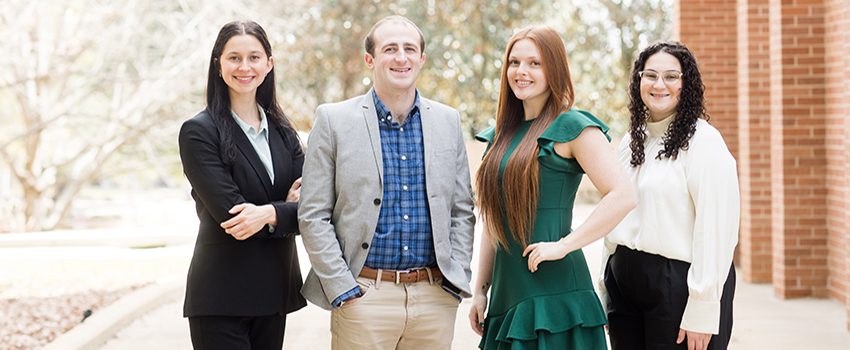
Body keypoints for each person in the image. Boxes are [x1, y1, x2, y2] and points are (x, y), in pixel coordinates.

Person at [297, 15, 476, 350]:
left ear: (421, 59)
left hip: (434, 296)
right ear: (370, 59)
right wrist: (342, 289)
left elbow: (462, 209)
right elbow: (312, 214)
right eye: (390, 49)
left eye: (410, 49)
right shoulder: (333, 120)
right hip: (363, 295)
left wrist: (455, 280)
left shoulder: (447, 120)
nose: (401, 57)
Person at [468, 25, 636, 350]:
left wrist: (564, 245)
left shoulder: (573, 127)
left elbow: (623, 196)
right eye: (514, 62)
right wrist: (480, 289)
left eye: (535, 63)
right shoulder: (499, 136)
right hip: (507, 293)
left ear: (554, 68)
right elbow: (493, 219)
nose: (521, 71)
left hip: (555, 294)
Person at [599, 41, 739, 350]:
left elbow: (716, 229)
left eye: (671, 76)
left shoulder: (704, 142)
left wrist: (703, 308)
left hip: (676, 286)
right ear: (638, 82)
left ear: (686, 83)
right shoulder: (633, 139)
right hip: (624, 286)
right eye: (650, 75)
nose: (659, 84)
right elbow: (616, 212)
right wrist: (605, 284)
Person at [178, 20, 307, 349]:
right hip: (222, 296)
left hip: (274, 294)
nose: (244, 67)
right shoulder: (199, 132)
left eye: (254, 57)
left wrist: (266, 214)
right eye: (234, 57)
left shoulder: (283, 131)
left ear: (269, 64)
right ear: (218, 64)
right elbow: (234, 217)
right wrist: (283, 209)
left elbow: (313, 206)